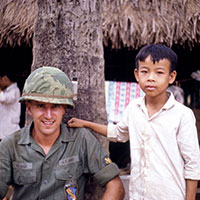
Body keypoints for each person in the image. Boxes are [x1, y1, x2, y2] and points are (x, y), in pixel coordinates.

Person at [68, 44, 200, 200]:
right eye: (145, 71)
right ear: (137, 75)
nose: (150, 78)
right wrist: (86, 124)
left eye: (159, 72)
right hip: (138, 195)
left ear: (171, 77)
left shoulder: (182, 115)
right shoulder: (134, 108)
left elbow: (192, 163)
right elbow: (118, 133)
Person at [0, 66, 125, 200]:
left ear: (65, 108)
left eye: (55, 107)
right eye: (41, 106)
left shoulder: (81, 140)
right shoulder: (10, 145)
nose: (48, 115)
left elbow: (116, 186)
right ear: (29, 109)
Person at [0, 72, 21, 141]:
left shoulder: (15, 90)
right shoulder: (6, 91)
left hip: (10, 129)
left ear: (5, 78)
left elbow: (4, 99)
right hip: (4, 128)